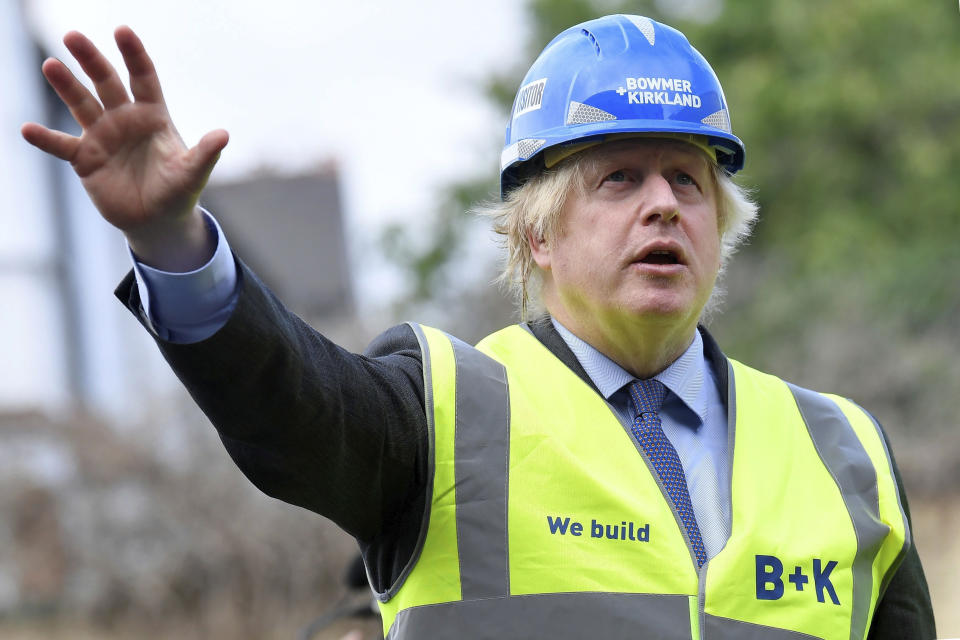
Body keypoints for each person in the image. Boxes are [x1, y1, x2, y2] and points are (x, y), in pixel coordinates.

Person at [21, 14, 936, 640]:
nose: (663, 205)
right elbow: (288, 405)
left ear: (721, 226)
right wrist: (172, 239)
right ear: (536, 232)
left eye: (687, 179)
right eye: (618, 178)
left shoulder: (846, 453)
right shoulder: (447, 412)